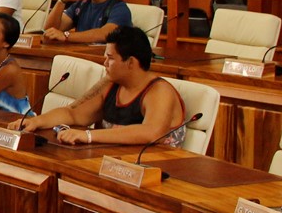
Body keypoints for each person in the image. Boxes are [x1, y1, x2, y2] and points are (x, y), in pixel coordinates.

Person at [27, 25, 185, 147]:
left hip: (156, 169)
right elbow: (73, 114)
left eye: (110, 58)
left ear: (131, 62)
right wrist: (37, 121)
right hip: (114, 161)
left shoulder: (159, 91)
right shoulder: (110, 85)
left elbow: (151, 132)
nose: (105, 63)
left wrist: (89, 136)